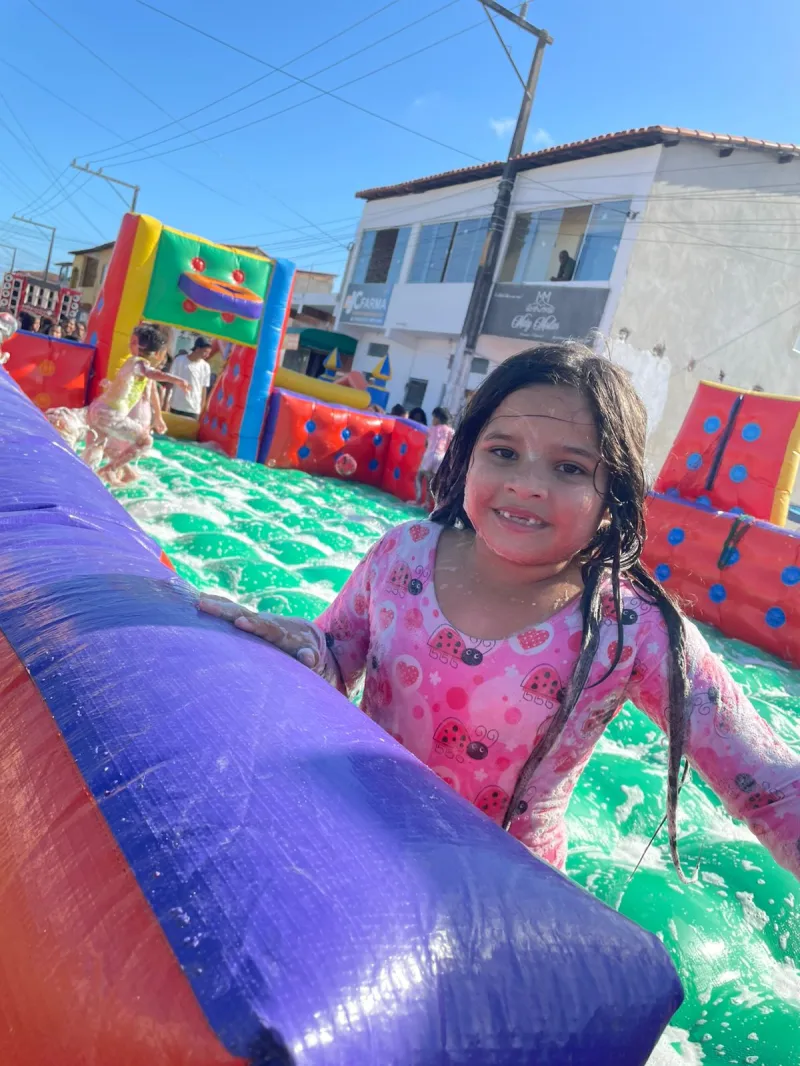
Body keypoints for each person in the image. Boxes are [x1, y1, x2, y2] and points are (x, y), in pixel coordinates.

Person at [199, 343, 800, 882]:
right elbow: (336, 658)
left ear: (614, 494)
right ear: (467, 456)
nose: (527, 484)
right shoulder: (403, 555)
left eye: (568, 467)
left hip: (502, 893)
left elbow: (768, 786)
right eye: (504, 452)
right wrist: (303, 651)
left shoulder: (632, 626)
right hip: (356, 837)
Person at [82, 323, 183, 483]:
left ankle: (87, 477)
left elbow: (127, 385)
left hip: (98, 409)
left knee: (98, 446)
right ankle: (109, 470)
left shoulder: (130, 362)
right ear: (158, 353)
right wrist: (176, 379)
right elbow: (151, 373)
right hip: (111, 413)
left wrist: (110, 385)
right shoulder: (140, 363)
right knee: (145, 442)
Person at [163, 336, 212, 418]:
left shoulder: (206, 366)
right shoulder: (179, 360)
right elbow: (170, 383)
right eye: (205, 352)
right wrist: (165, 403)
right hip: (176, 406)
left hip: (194, 409)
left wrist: (202, 408)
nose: (207, 355)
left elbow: (204, 389)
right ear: (197, 349)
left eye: (208, 353)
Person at [415, 406, 454, 506]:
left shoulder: (432, 429)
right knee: (431, 481)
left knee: (419, 477)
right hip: (441, 457)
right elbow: (451, 445)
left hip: (430, 455)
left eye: (433, 418)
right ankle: (427, 503)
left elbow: (426, 444)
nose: (432, 420)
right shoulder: (450, 431)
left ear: (438, 418)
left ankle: (418, 500)